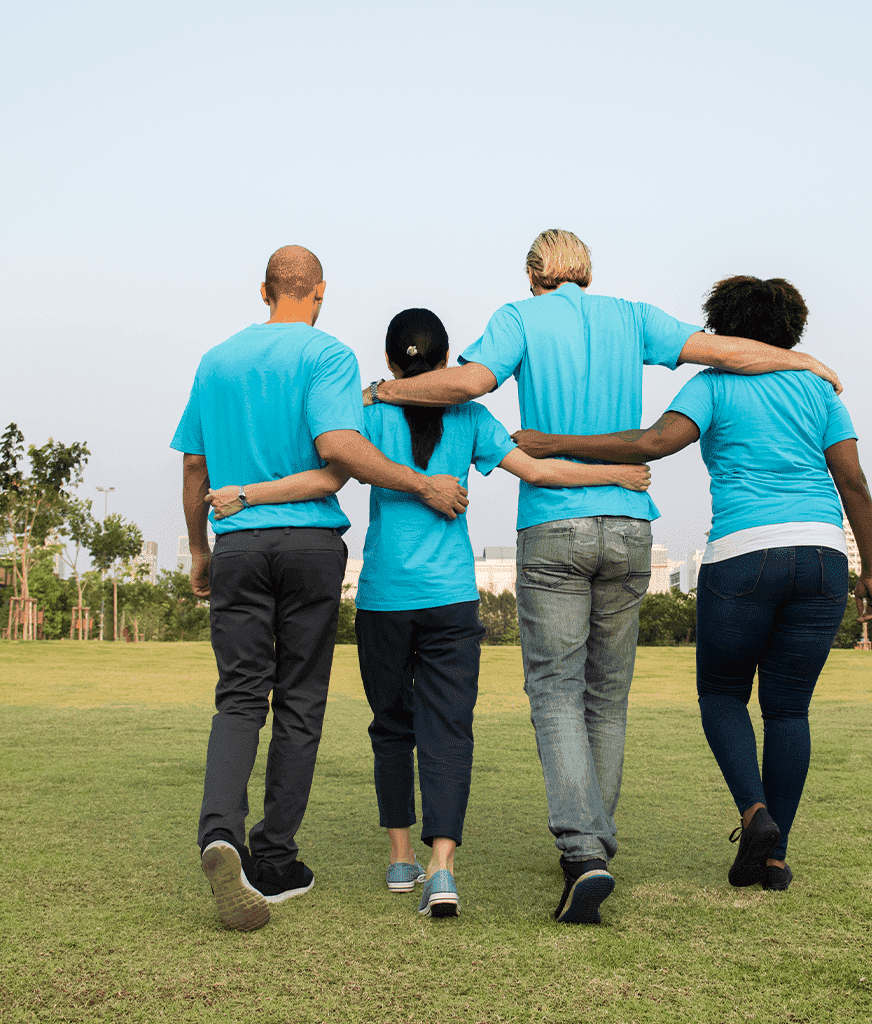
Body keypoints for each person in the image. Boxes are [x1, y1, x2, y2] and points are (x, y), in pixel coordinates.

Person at [357, 231, 845, 923]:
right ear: (588, 270)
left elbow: (468, 384)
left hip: (554, 527)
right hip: (630, 526)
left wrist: (385, 388)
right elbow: (726, 350)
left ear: (534, 273)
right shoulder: (635, 316)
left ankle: (584, 853)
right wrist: (806, 362)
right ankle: (594, 848)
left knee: (555, 691)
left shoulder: (519, 319)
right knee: (607, 697)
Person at [206, 307, 651, 918]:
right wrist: (618, 476)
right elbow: (540, 471)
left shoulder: (363, 413)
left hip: (384, 598)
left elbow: (325, 471)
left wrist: (247, 492)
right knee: (449, 730)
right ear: (446, 363)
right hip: (451, 600)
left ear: (391, 362)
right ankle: (442, 870)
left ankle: (399, 859)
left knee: (391, 728)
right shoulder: (470, 416)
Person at [512, 274, 872, 892]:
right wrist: (869, 568)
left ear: (725, 329)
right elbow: (854, 482)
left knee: (722, 695)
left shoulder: (713, 384)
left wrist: (556, 442)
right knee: (789, 709)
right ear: (792, 330)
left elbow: (653, 443)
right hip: (822, 555)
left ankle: (754, 813)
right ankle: (773, 856)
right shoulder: (819, 389)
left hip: (744, 554)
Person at [171, 247, 468, 932]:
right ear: (320, 291)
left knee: (239, 696)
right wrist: (423, 483)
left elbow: (194, 466)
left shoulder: (216, 360)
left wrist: (198, 549)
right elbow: (338, 449)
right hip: (309, 546)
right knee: (300, 701)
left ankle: (221, 834)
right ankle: (275, 861)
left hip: (239, 543)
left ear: (265, 289)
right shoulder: (328, 356)